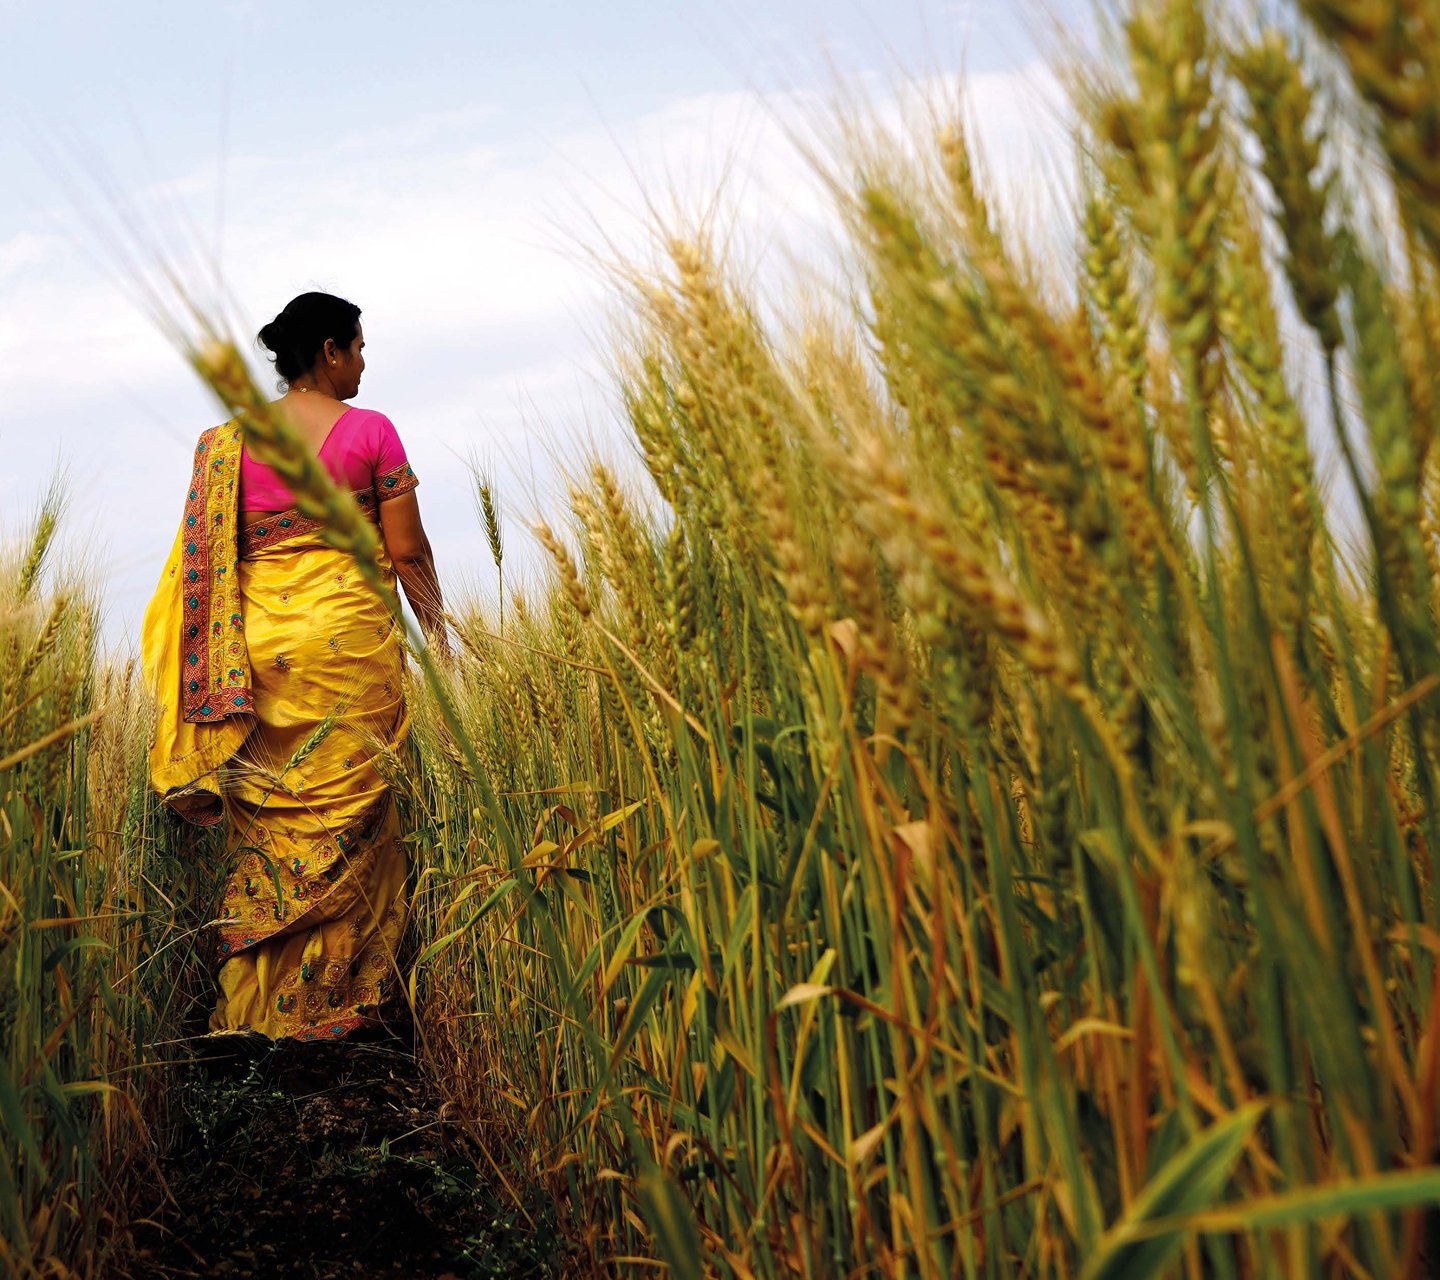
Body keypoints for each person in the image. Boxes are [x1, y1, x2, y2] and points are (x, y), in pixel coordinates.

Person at [141, 291, 446, 1042]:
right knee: (358, 816)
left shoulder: (230, 446)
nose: (365, 363)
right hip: (352, 649)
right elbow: (406, 551)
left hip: (266, 658)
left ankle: (260, 1007)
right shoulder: (370, 432)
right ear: (330, 352)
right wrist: (440, 634)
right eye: (359, 348)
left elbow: (215, 567)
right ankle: (347, 998)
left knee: (275, 819)